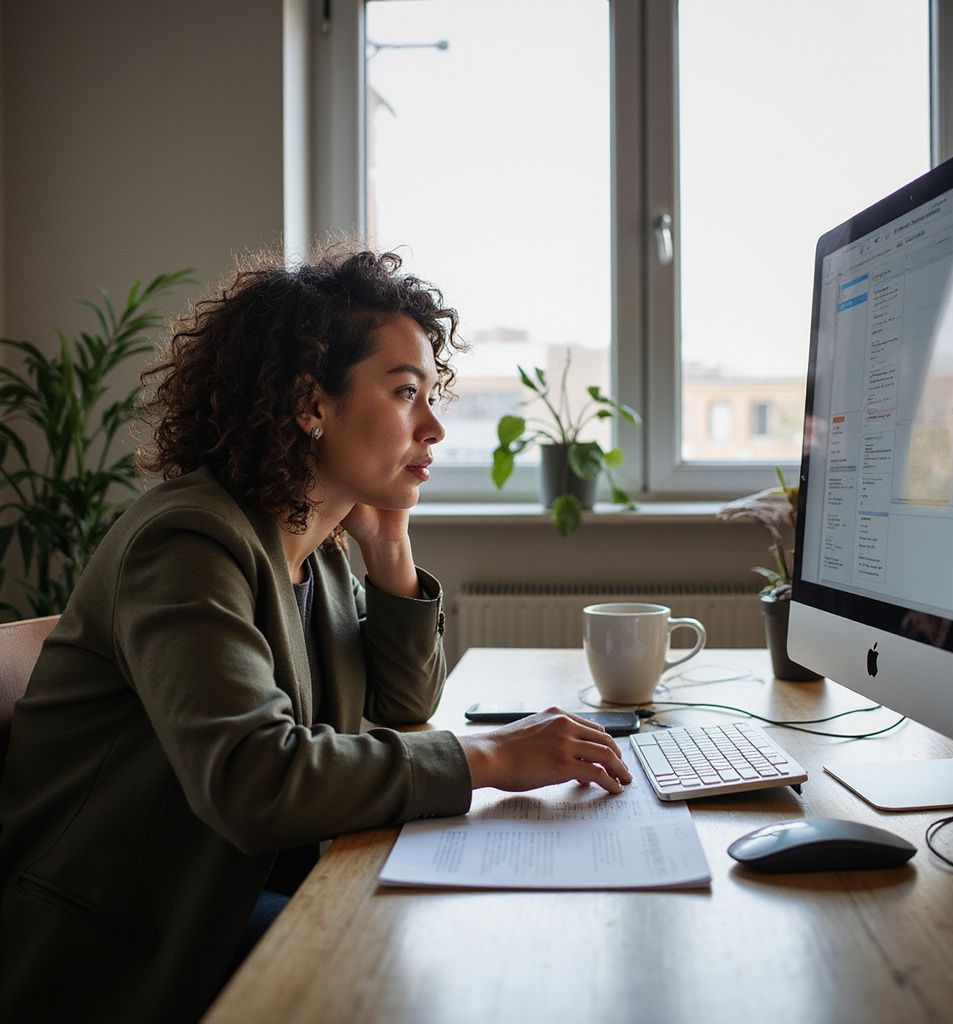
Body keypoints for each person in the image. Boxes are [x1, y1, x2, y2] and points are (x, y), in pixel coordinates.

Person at [0, 247, 632, 1022]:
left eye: (432, 395)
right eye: (405, 394)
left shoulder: (312, 547)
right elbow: (253, 778)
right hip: (124, 949)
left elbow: (405, 701)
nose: (433, 426)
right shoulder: (188, 542)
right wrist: (493, 755)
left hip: (230, 898)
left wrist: (389, 545)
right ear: (311, 403)